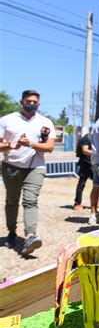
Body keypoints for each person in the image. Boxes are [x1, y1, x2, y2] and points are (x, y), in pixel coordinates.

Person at [0, 89, 56, 255]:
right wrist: (10, 146)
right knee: (12, 201)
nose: (31, 104)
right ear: (21, 102)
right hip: (11, 166)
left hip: (35, 167)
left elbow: (50, 147)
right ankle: (11, 233)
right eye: (28, 101)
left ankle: (30, 235)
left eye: (34, 102)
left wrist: (30, 144)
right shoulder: (7, 120)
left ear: (39, 103)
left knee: (30, 200)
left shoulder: (45, 122)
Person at [73, 131, 92, 210]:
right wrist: (98, 153)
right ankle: (77, 203)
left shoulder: (93, 138)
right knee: (81, 184)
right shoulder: (86, 138)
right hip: (85, 164)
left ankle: (94, 203)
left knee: (97, 185)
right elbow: (85, 150)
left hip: (93, 164)